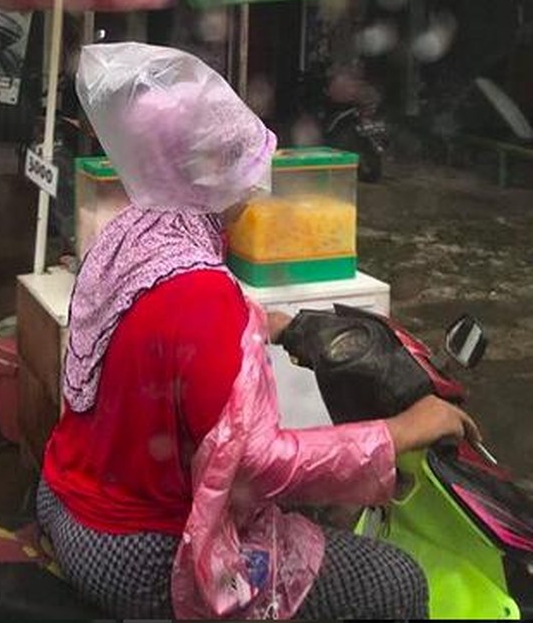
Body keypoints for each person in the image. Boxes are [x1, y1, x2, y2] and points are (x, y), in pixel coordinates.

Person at [37, 42, 478, 620]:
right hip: (139, 551)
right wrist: (399, 431)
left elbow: (157, 327)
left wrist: (263, 323)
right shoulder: (204, 298)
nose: (254, 186)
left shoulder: (130, 235)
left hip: (61, 496)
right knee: (394, 579)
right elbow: (259, 464)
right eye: (244, 166)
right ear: (216, 175)